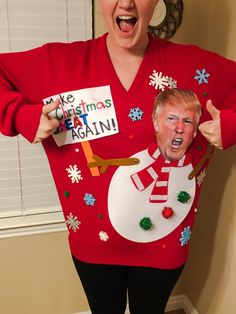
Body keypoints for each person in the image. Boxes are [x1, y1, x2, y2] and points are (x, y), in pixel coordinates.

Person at [0, 1, 236, 313]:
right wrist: (22, 116)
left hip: (164, 243)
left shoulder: (192, 65)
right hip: (93, 245)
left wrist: (232, 126)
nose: (126, 2)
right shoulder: (59, 63)